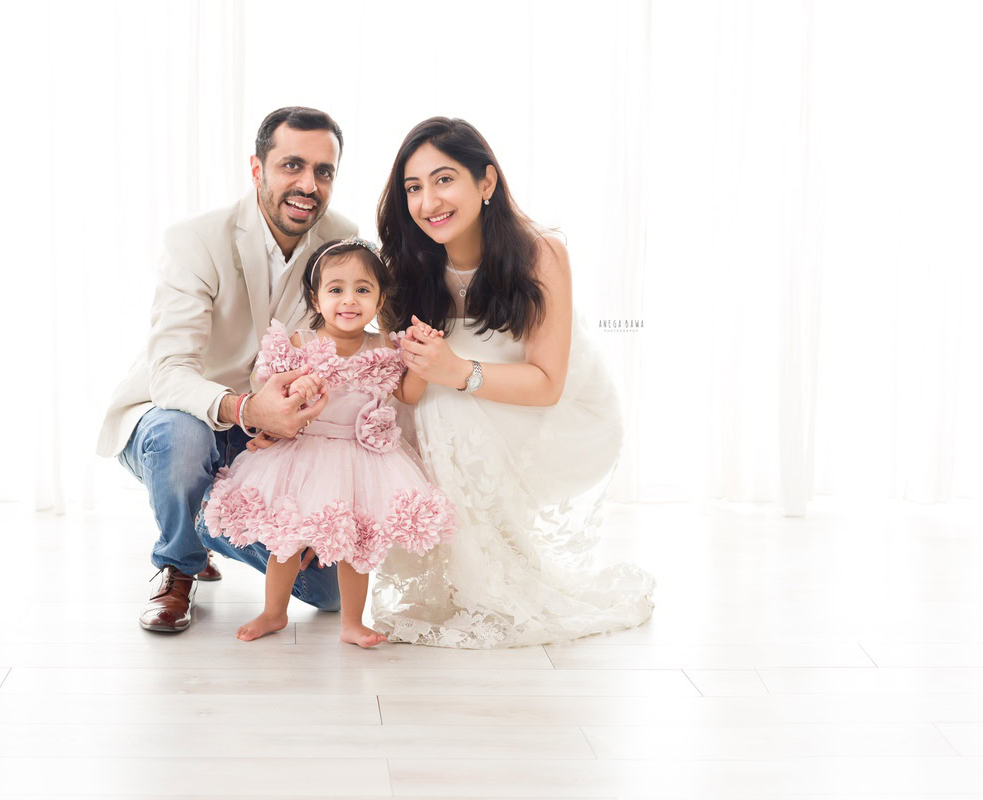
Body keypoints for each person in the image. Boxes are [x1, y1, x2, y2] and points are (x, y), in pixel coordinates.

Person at [370, 116, 657, 648]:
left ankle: (493, 581)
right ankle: (463, 566)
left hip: (557, 414)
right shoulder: (405, 268)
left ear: (486, 182)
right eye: (413, 188)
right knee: (409, 405)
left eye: (444, 179)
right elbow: (399, 383)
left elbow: (548, 384)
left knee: (443, 398)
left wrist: (457, 372)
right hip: (461, 407)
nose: (428, 201)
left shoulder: (540, 252)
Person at [95, 107, 357, 633]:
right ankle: (178, 566)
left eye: (323, 171)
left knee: (328, 592)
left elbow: (332, 350)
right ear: (257, 169)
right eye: (292, 165)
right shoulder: (195, 239)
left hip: (268, 432)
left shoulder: (340, 239)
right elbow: (171, 371)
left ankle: (202, 518)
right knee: (182, 440)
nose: (308, 185)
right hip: (175, 414)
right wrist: (247, 409)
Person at [202, 238, 455, 647]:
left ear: (380, 299)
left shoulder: (383, 347)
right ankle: (273, 612)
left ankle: (352, 622)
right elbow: (273, 392)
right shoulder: (301, 343)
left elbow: (407, 395)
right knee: (286, 539)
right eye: (336, 289)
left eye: (362, 289)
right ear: (315, 298)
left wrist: (421, 360)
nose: (349, 299)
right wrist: (297, 387)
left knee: (356, 541)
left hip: (360, 458)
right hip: (303, 454)